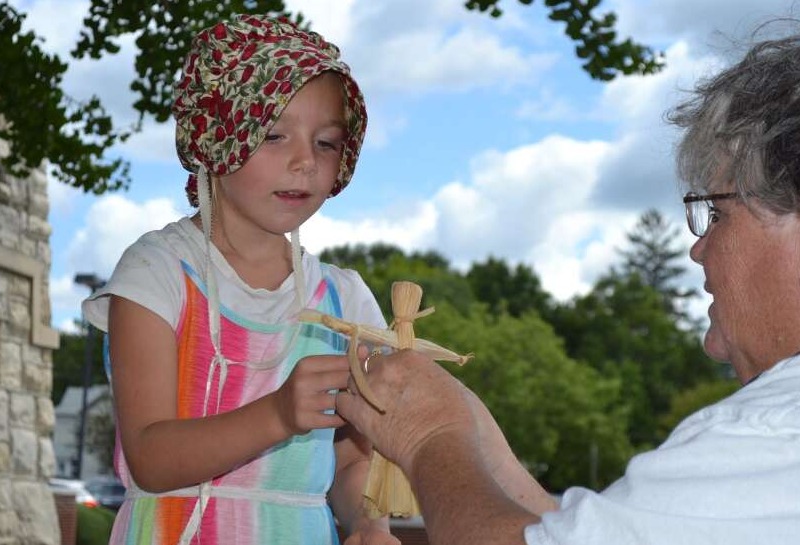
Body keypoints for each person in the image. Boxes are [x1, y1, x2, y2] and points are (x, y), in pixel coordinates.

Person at [333, 32, 800, 545]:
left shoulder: (773, 430)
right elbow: (575, 535)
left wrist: (431, 436)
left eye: (716, 212)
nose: (698, 247)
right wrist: (471, 432)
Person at [82, 15, 399, 545]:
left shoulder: (344, 300)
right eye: (274, 135)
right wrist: (277, 413)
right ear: (214, 138)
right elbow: (150, 458)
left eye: (326, 142)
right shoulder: (157, 274)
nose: (304, 161)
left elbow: (348, 460)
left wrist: (369, 522)